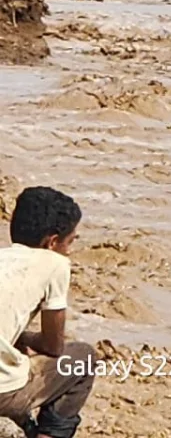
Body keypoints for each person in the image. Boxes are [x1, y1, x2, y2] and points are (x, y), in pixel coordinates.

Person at [0, 187, 94, 438]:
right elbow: (54, 346)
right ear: (52, 242)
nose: (71, 250)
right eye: (71, 240)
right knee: (83, 359)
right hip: (3, 393)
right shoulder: (55, 263)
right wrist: (29, 339)